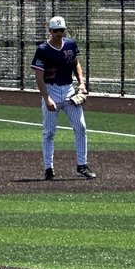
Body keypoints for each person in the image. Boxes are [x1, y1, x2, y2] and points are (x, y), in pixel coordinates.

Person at [32, 15, 97, 180]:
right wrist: (46, 98)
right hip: (51, 90)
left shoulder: (70, 45)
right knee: (49, 132)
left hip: (69, 90)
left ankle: (82, 166)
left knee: (81, 127)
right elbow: (39, 76)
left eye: (61, 30)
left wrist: (81, 83)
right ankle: (48, 168)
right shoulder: (43, 49)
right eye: (56, 30)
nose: (59, 33)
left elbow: (76, 64)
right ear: (50, 31)